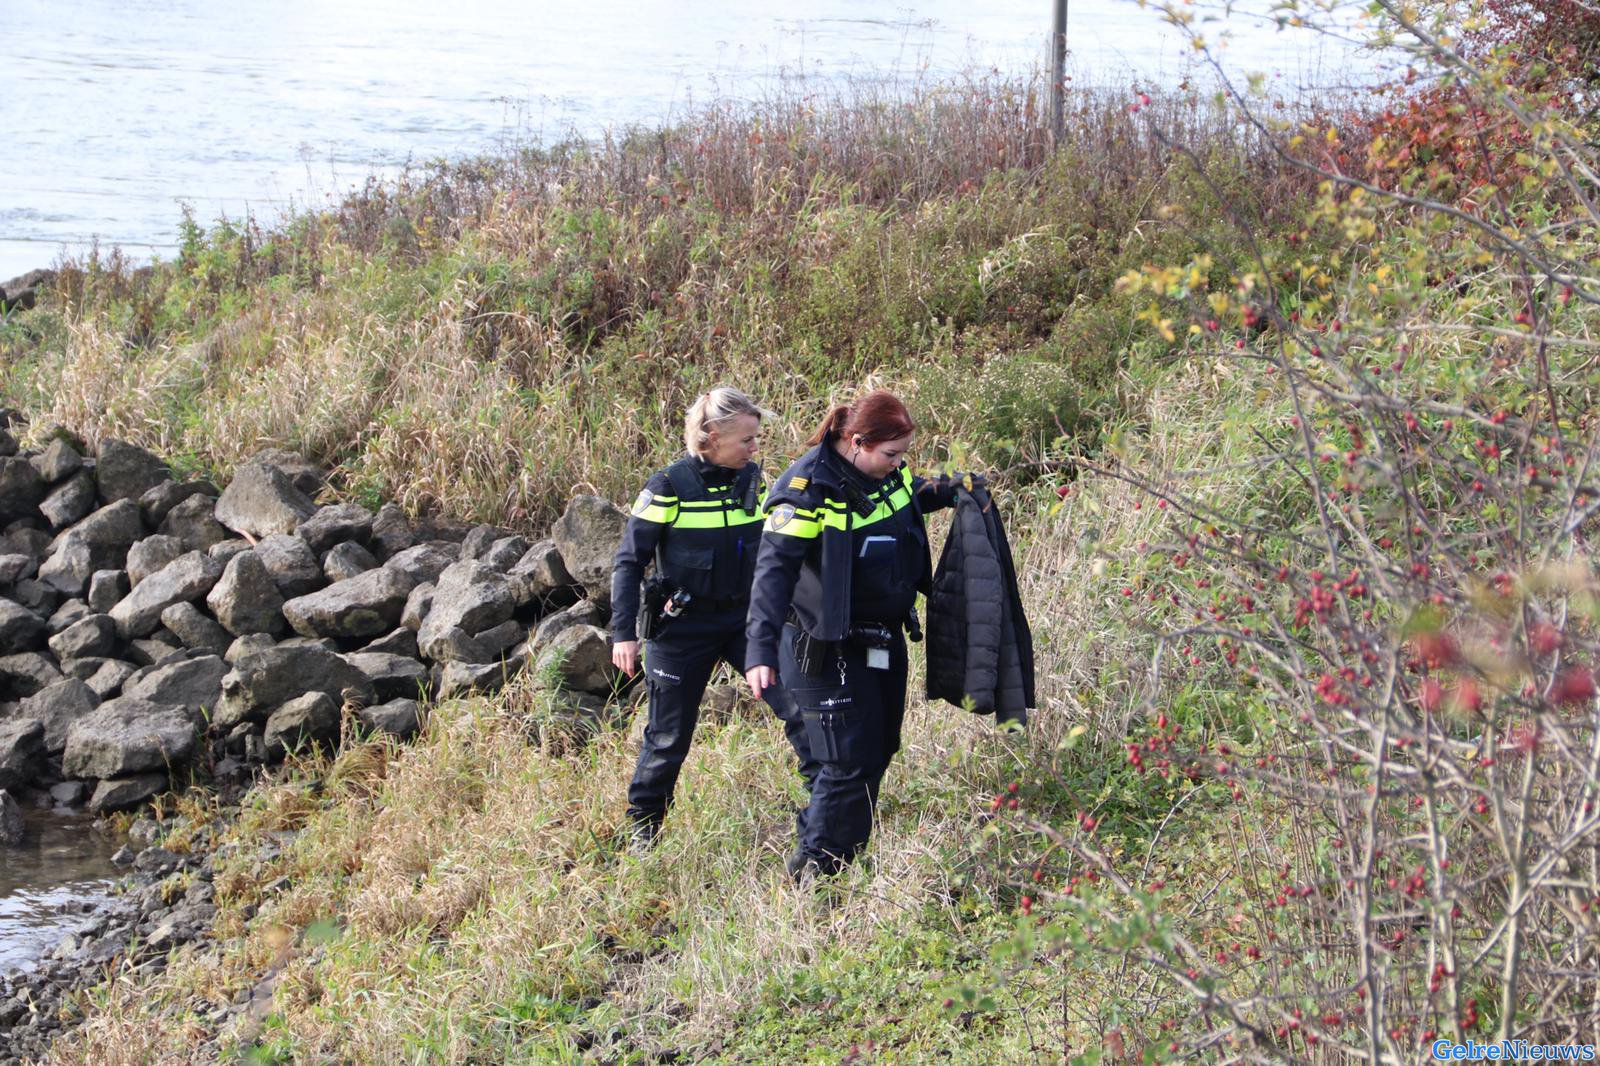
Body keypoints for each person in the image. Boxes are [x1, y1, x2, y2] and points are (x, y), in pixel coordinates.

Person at [744, 389, 962, 880]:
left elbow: (909, 496)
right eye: (891, 454)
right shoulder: (804, 491)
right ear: (858, 442)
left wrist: (953, 489)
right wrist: (759, 652)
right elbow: (772, 575)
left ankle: (844, 858)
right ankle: (814, 875)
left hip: (882, 635)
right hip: (823, 646)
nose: (898, 463)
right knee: (846, 761)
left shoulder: (885, 472)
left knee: (879, 747)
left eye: (903, 454)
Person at [611, 386, 808, 848]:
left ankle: (826, 807)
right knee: (668, 737)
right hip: (682, 630)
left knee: (799, 710)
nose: (755, 448)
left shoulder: (753, 480)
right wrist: (625, 634)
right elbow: (628, 562)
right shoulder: (666, 486)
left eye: (756, 438)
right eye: (747, 440)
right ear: (712, 436)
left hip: (746, 623)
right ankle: (644, 829)